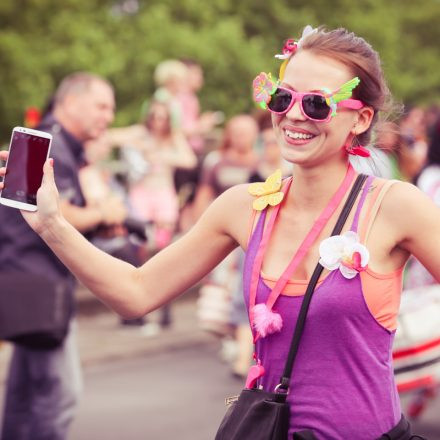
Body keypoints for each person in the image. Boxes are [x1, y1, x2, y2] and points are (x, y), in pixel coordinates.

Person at [2, 26, 439, 439]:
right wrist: (51, 224)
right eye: (282, 97)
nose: (293, 115)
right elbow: (134, 292)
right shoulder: (243, 206)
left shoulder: (395, 206)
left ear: (360, 119)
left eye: (317, 104)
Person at [0, 72, 121, 440]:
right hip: (37, 282)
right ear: (70, 102)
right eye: (102, 105)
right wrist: (104, 214)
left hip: (31, 280)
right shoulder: (49, 144)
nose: (109, 116)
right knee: (59, 396)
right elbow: (51, 210)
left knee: (24, 393)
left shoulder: (59, 144)